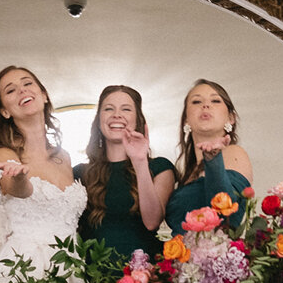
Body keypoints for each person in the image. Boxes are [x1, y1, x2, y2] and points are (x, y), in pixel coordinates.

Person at [0, 64, 86, 277]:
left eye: (28, 83)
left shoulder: (64, 157)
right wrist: (20, 177)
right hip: (26, 266)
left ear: (44, 95)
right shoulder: (3, 155)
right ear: (4, 111)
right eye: (11, 90)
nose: (22, 90)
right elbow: (17, 189)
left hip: (71, 265)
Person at [73, 85, 175, 264]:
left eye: (126, 109)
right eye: (108, 109)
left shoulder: (160, 167)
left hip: (143, 276)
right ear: (99, 120)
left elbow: (152, 222)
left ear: (137, 120)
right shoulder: (79, 173)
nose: (116, 114)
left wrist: (140, 161)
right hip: (90, 280)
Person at [165, 78, 254, 236]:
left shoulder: (234, 153)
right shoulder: (185, 173)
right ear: (186, 118)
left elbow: (227, 214)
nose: (205, 105)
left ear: (231, 118)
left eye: (215, 100)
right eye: (196, 102)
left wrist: (213, 160)